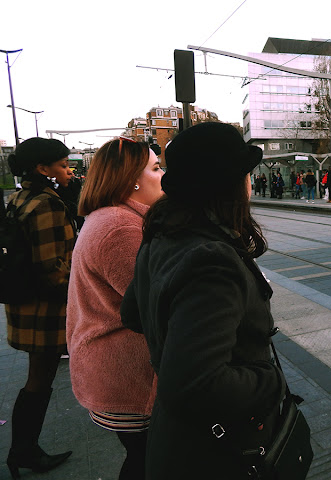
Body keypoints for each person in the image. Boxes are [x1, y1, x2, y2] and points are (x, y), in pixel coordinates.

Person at [119, 122, 286, 479]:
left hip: (174, 438)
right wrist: (269, 381)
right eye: (247, 174)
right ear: (229, 185)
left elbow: (132, 312)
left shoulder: (161, 235)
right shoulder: (211, 259)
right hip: (216, 450)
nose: (251, 184)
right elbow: (195, 385)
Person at [66, 137, 164, 480]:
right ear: (131, 180)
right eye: (155, 167)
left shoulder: (113, 218)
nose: (163, 174)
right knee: (148, 462)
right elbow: (155, 305)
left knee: (145, 459)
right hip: (128, 380)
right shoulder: (120, 227)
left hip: (114, 372)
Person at [4, 137, 76, 479]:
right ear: (42, 169)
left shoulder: (19, 198)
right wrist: (80, 293)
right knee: (39, 379)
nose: (68, 170)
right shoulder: (47, 204)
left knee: (39, 378)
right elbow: (52, 269)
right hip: (44, 310)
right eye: (62, 165)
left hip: (25, 303)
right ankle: (24, 451)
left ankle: (23, 450)